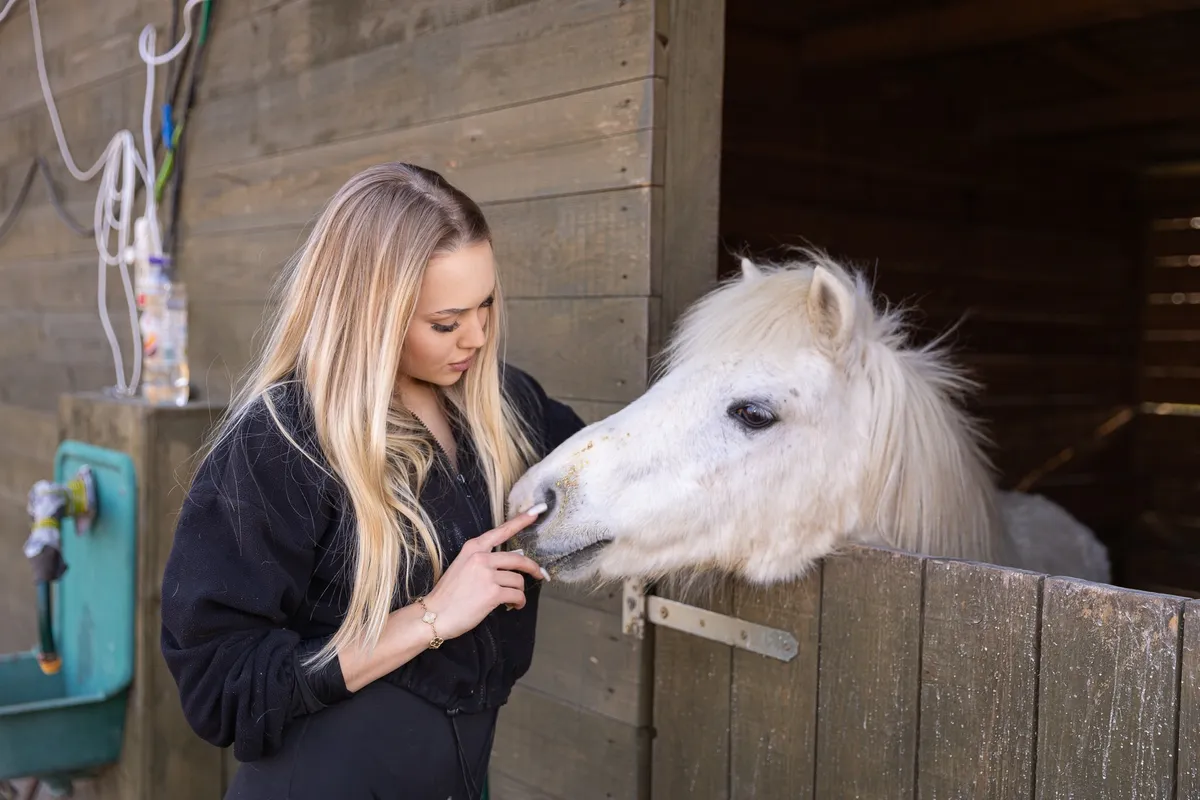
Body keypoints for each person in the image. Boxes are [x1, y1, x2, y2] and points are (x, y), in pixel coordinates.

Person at [159, 162, 586, 799]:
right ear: (372, 314)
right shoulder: (283, 442)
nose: (476, 337)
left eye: (487, 305)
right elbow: (222, 687)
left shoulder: (506, 404)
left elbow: (625, 477)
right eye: (445, 323)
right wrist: (432, 615)